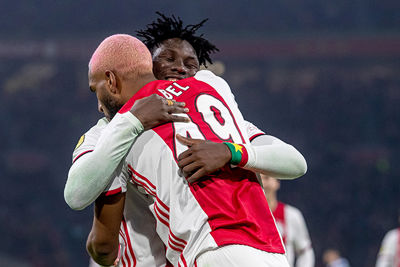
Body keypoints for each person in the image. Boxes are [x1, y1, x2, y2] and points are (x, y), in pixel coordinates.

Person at [82, 33, 307, 267]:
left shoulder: (222, 119)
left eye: (191, 64)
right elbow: (79, 196)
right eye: (169, 59)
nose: (180, 68)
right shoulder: (114, 130)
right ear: (146, 67)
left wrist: (229, 151)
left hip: (237, 248)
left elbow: (296, 162)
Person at [261, 175, 315, 267]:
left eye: (266, 178)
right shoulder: (245, 215)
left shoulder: (291, 215)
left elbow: (305, 251)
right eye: (258, 179)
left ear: (277, 183)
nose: (262, 183)